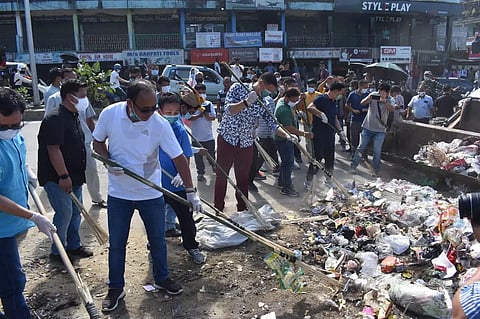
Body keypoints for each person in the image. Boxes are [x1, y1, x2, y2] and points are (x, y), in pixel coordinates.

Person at [92, 79, 202, 312]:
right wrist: (109, 161)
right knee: (118, 243)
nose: (150, 113)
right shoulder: (111, 114)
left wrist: (191, 192)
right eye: (145, 109)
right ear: (130, 103)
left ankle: (162, 278)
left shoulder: (159, 124)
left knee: (158, 239)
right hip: (119, 193)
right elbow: (97, 142)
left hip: (150, 192)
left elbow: (179, 158)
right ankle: (115, 287)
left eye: (154, 108)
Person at [0, 87, 57, 319]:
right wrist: (33, 216)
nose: (11, 131)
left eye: (17, 125)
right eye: (4, 127)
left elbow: (17, 156)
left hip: (9, 225)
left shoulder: (15, 138)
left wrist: (26, 171)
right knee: (13, 280)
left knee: (8, 276)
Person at [214, 72, 295, 212]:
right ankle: (218, 207)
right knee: (222, 175)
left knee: (243, 177)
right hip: (228, 139)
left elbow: (272, 123)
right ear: (261, 83)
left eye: (270, 92)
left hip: (246, 142)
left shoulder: (266, 101)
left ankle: (242, 208)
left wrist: (287, 135)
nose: (267, 94)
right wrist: (246, 102)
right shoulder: (238, 88)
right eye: (267, 90)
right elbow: (229, 110)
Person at [37, 79, 93, 261]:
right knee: (64, 214)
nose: (86, 100)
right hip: (58, 177)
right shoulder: (55, 118)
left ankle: (74, 245)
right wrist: (63, 175)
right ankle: (58, 250)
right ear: (71, 98)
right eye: (83, 96)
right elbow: (53, 149)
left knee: (76, 212)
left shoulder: (74, 115)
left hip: (74, 175)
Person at [157, 92, 206, 264]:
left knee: (186, 219)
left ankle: (192, 247)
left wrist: (181, 175)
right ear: (159, 111)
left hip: (177, 185)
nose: (171, 116)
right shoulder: (150, 128)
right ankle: (154, 245)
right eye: (167, 112)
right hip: (156, 185)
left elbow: (186, 154)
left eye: (175, 112)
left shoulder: (179, 130)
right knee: (154, 219)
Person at [304, 82, 346, 190]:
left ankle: (328, 179)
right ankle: (309, 181)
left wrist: (340, 131)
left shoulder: (334, 101)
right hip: (319, 134)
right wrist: (320, 114)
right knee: (317, 158)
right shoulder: (321, 99)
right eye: (339, 93)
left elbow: (335, 117)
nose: (340, 95)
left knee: (330, 159)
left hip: (330, 135)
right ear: (335, 91)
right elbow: (310, 107)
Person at [274, 88, 313, 196]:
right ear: (287, 98)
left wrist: (300, 100)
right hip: (284, 139)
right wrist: (304, 134)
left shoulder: (283, 101)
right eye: (294, 100)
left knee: (285, 162)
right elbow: (288, 127)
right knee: (288, 164)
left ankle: (281, 182)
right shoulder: (284, 109)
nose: (295, 102)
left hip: (283, 138)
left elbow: (295, 106)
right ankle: (286, 188)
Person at [351, 83, 395, 176]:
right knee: (361, 147)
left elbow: (391, 109)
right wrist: (369, 98)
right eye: (380, 91)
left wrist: (385, 101)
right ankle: (353, 166)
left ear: (387, 93)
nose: (381, 93)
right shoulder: (373, 95)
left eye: (383, 92)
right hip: (367, 127)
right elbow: (362, 103)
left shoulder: (390, 99)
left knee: (377, 151)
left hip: (380, 130)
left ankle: (375, 170)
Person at [190, 83, 216, 182]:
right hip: (196, 137)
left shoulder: (208, 104)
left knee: (211, 155)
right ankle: (200, 173)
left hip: (208, 137)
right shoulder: (191, 105)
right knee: (198, 157)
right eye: (199, 93)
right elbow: (188, 117)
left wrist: (206, 115)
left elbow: (213, 117)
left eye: (203, 92)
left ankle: (214, 167)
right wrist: (198, 115)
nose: (201, 94)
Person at [296, 78, 321, 156]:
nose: (310, 87)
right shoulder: (304, 96)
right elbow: (298, 108)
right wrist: (301, 99)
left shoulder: (319, 95)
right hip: (307, 121)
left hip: (317, 122)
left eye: (312, 86)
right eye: (309, 86)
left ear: (315, 86)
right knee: (308, 140)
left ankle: (318, 155)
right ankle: (310, 156)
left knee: (318, 140)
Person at [346, 80, 369, 151]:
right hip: (355, 120)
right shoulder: (352, 94)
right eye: (365, 87)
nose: (366, 89)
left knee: (365, 140)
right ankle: (354, 154)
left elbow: (372, 106)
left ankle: (364, 155)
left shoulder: (368, 95)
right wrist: (353, 110)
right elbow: (347, 105)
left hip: (366, 120)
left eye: (367, 87)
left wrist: (366, 110)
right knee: (354, 139)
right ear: (360, 86)